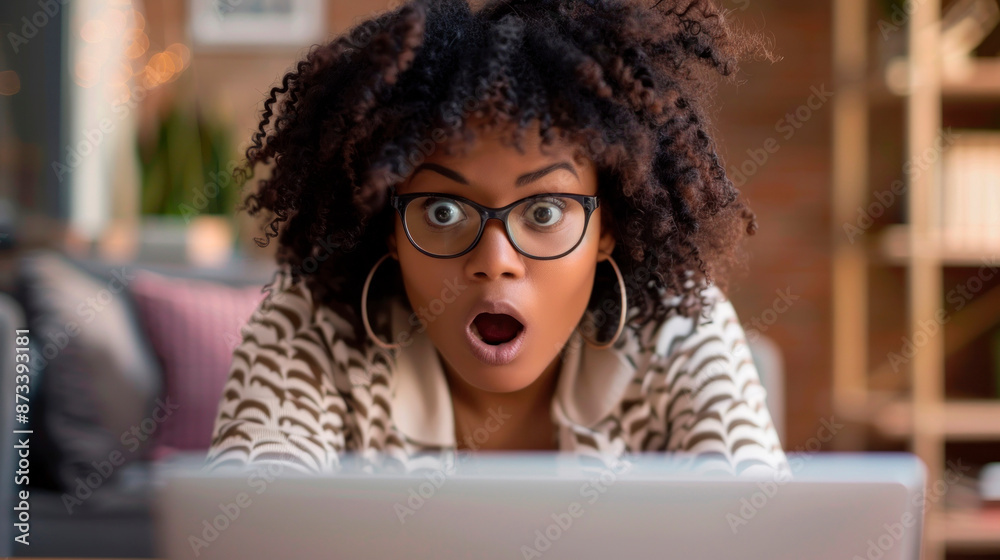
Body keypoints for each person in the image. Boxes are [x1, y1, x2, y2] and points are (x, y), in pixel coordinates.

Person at [205, 0, 788, 478]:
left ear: (606, 227)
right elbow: (247, 529)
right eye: (441, 212)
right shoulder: (309, 326)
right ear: (389, 229)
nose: (495, 262)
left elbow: (756, 532)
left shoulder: (680, 328)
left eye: (542, 212)